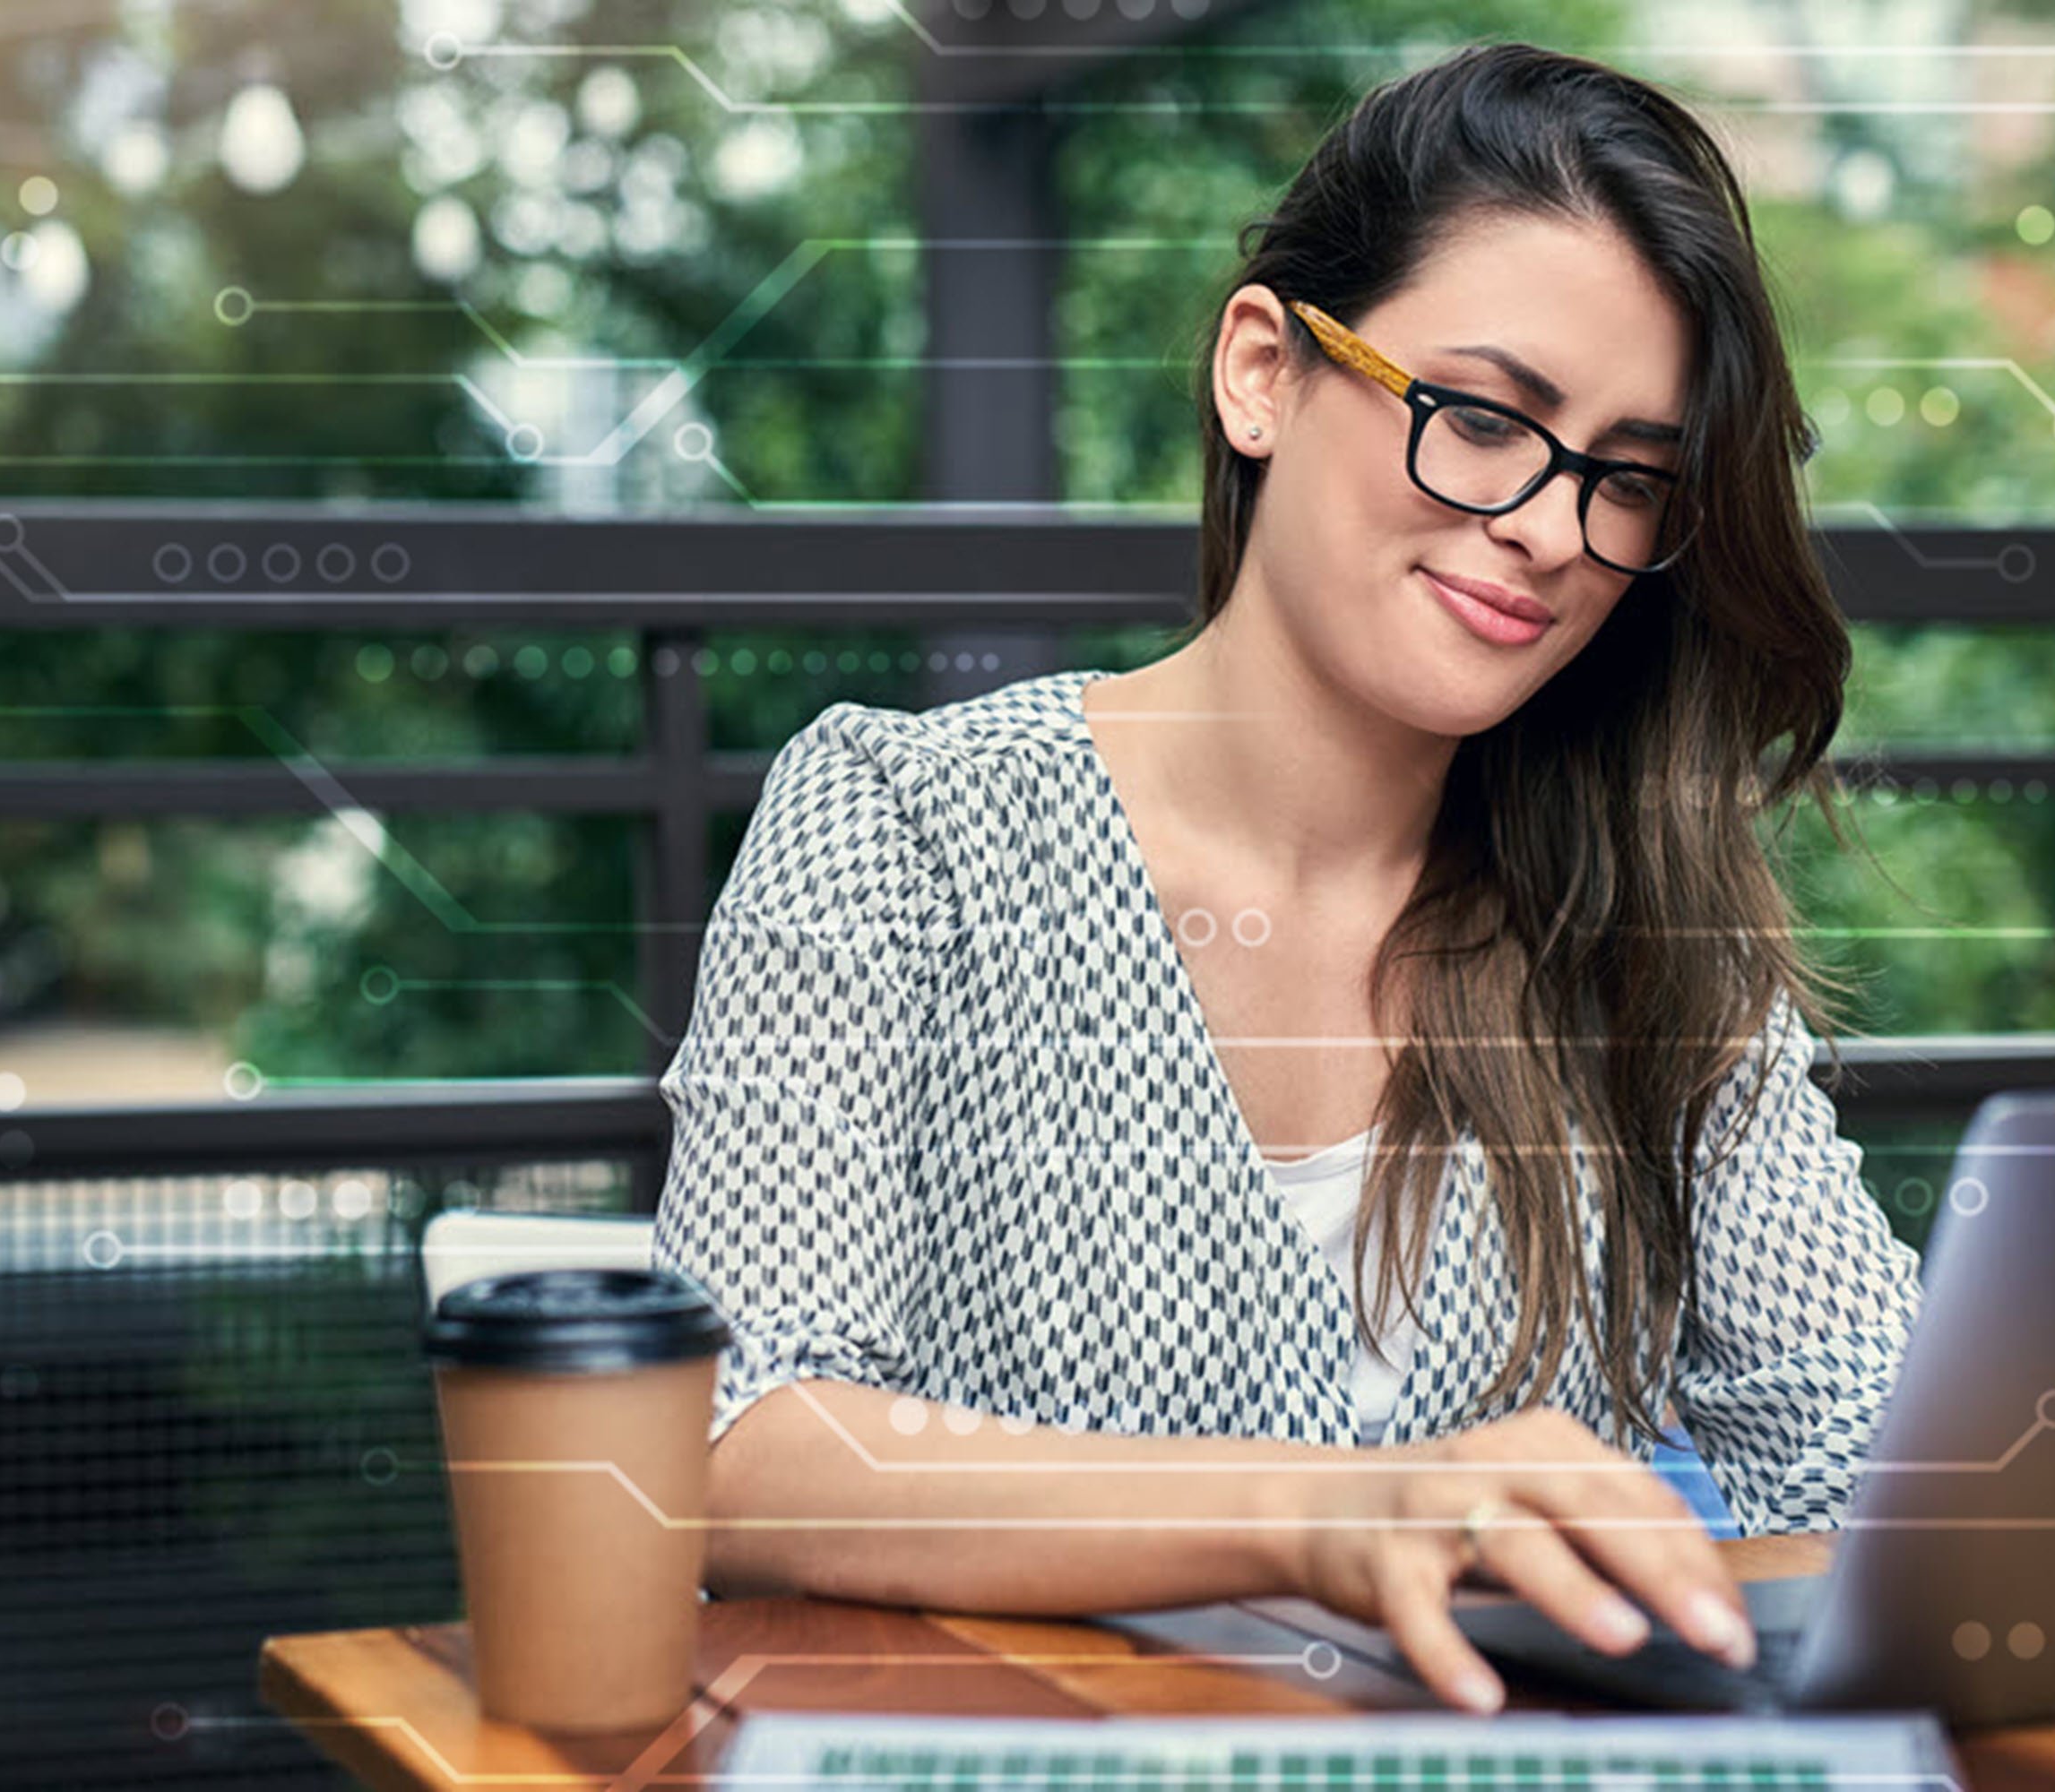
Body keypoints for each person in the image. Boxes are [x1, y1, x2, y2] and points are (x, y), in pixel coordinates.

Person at [648, 39, 1922, 1717]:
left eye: (1629, 477)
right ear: (1264, 371)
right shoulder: (905, 828)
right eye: (1482, 420)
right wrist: (1324, 1515)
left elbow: (1887, 1466)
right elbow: (740, 1449)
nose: (1551, 528)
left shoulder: (1634, 920)